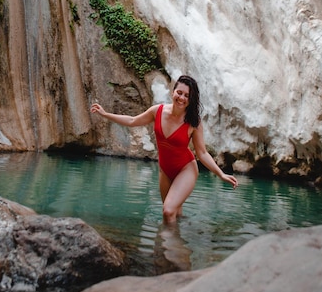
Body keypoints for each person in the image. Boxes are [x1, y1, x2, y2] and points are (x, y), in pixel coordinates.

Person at [91, 74, 238, 224]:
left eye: (187, 95)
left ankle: (170, 245)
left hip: (186, 169)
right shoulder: (158, 111)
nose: (182, 98)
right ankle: (173, 242)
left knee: (168, 211)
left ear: (191, 99)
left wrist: (221, 174)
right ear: (172, 92)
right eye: (179, 93)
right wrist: (105, 114)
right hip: (165, 171)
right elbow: (132, 120)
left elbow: (202, 153)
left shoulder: (193, 122)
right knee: (174, 214)